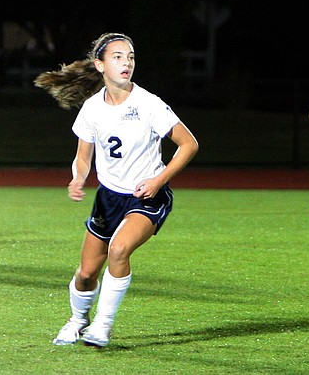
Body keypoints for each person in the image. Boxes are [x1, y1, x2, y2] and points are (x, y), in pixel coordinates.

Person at [34, 32, 199, 347]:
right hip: (107, 198)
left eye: (131, 57)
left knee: (119, 249)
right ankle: (77, 321)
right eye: (118, 57)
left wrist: (158, 179)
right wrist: (78, 178)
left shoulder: (149, 104)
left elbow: (189, 144)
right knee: (85, 274)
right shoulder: (92, 109)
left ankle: (102, 326)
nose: (127, 63)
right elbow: (83, 158)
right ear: (100, 64)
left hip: (146, 195)